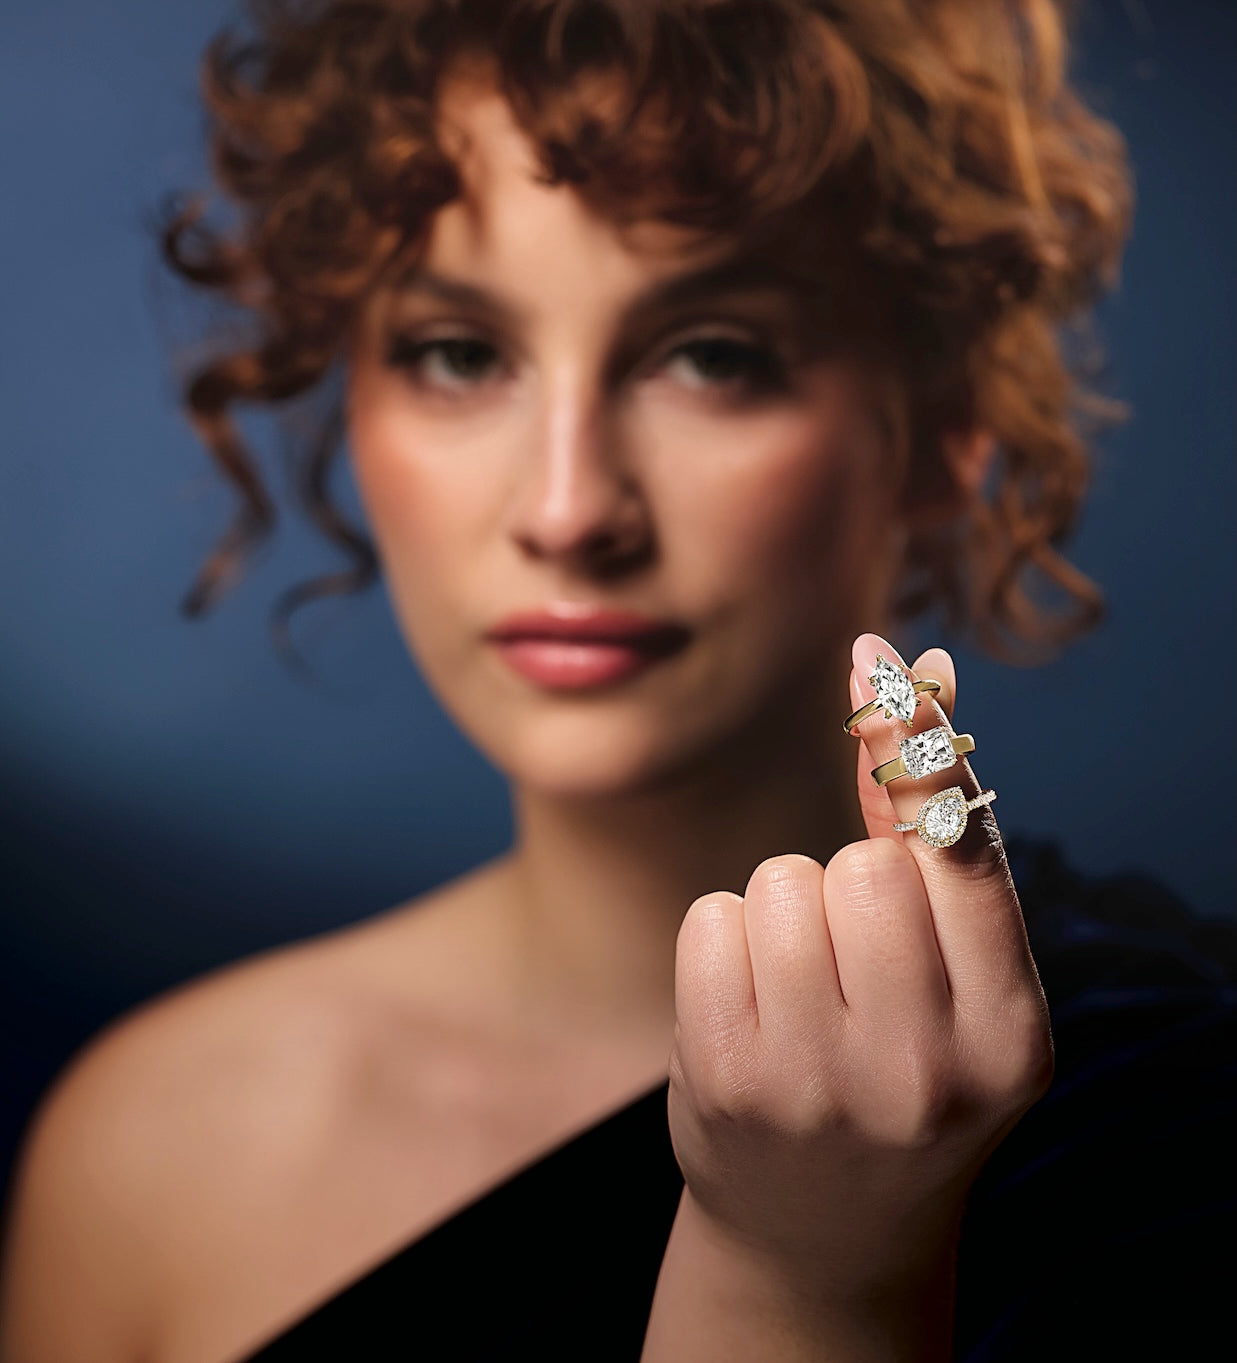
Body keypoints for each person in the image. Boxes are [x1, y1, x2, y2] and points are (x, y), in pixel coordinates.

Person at [1, 1, 1232, 1359]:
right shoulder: (156, 1144)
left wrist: (806, 1276)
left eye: (711, 356)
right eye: (458, 354)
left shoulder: (1183, 1105)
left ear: (947, 431)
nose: (570, 508)